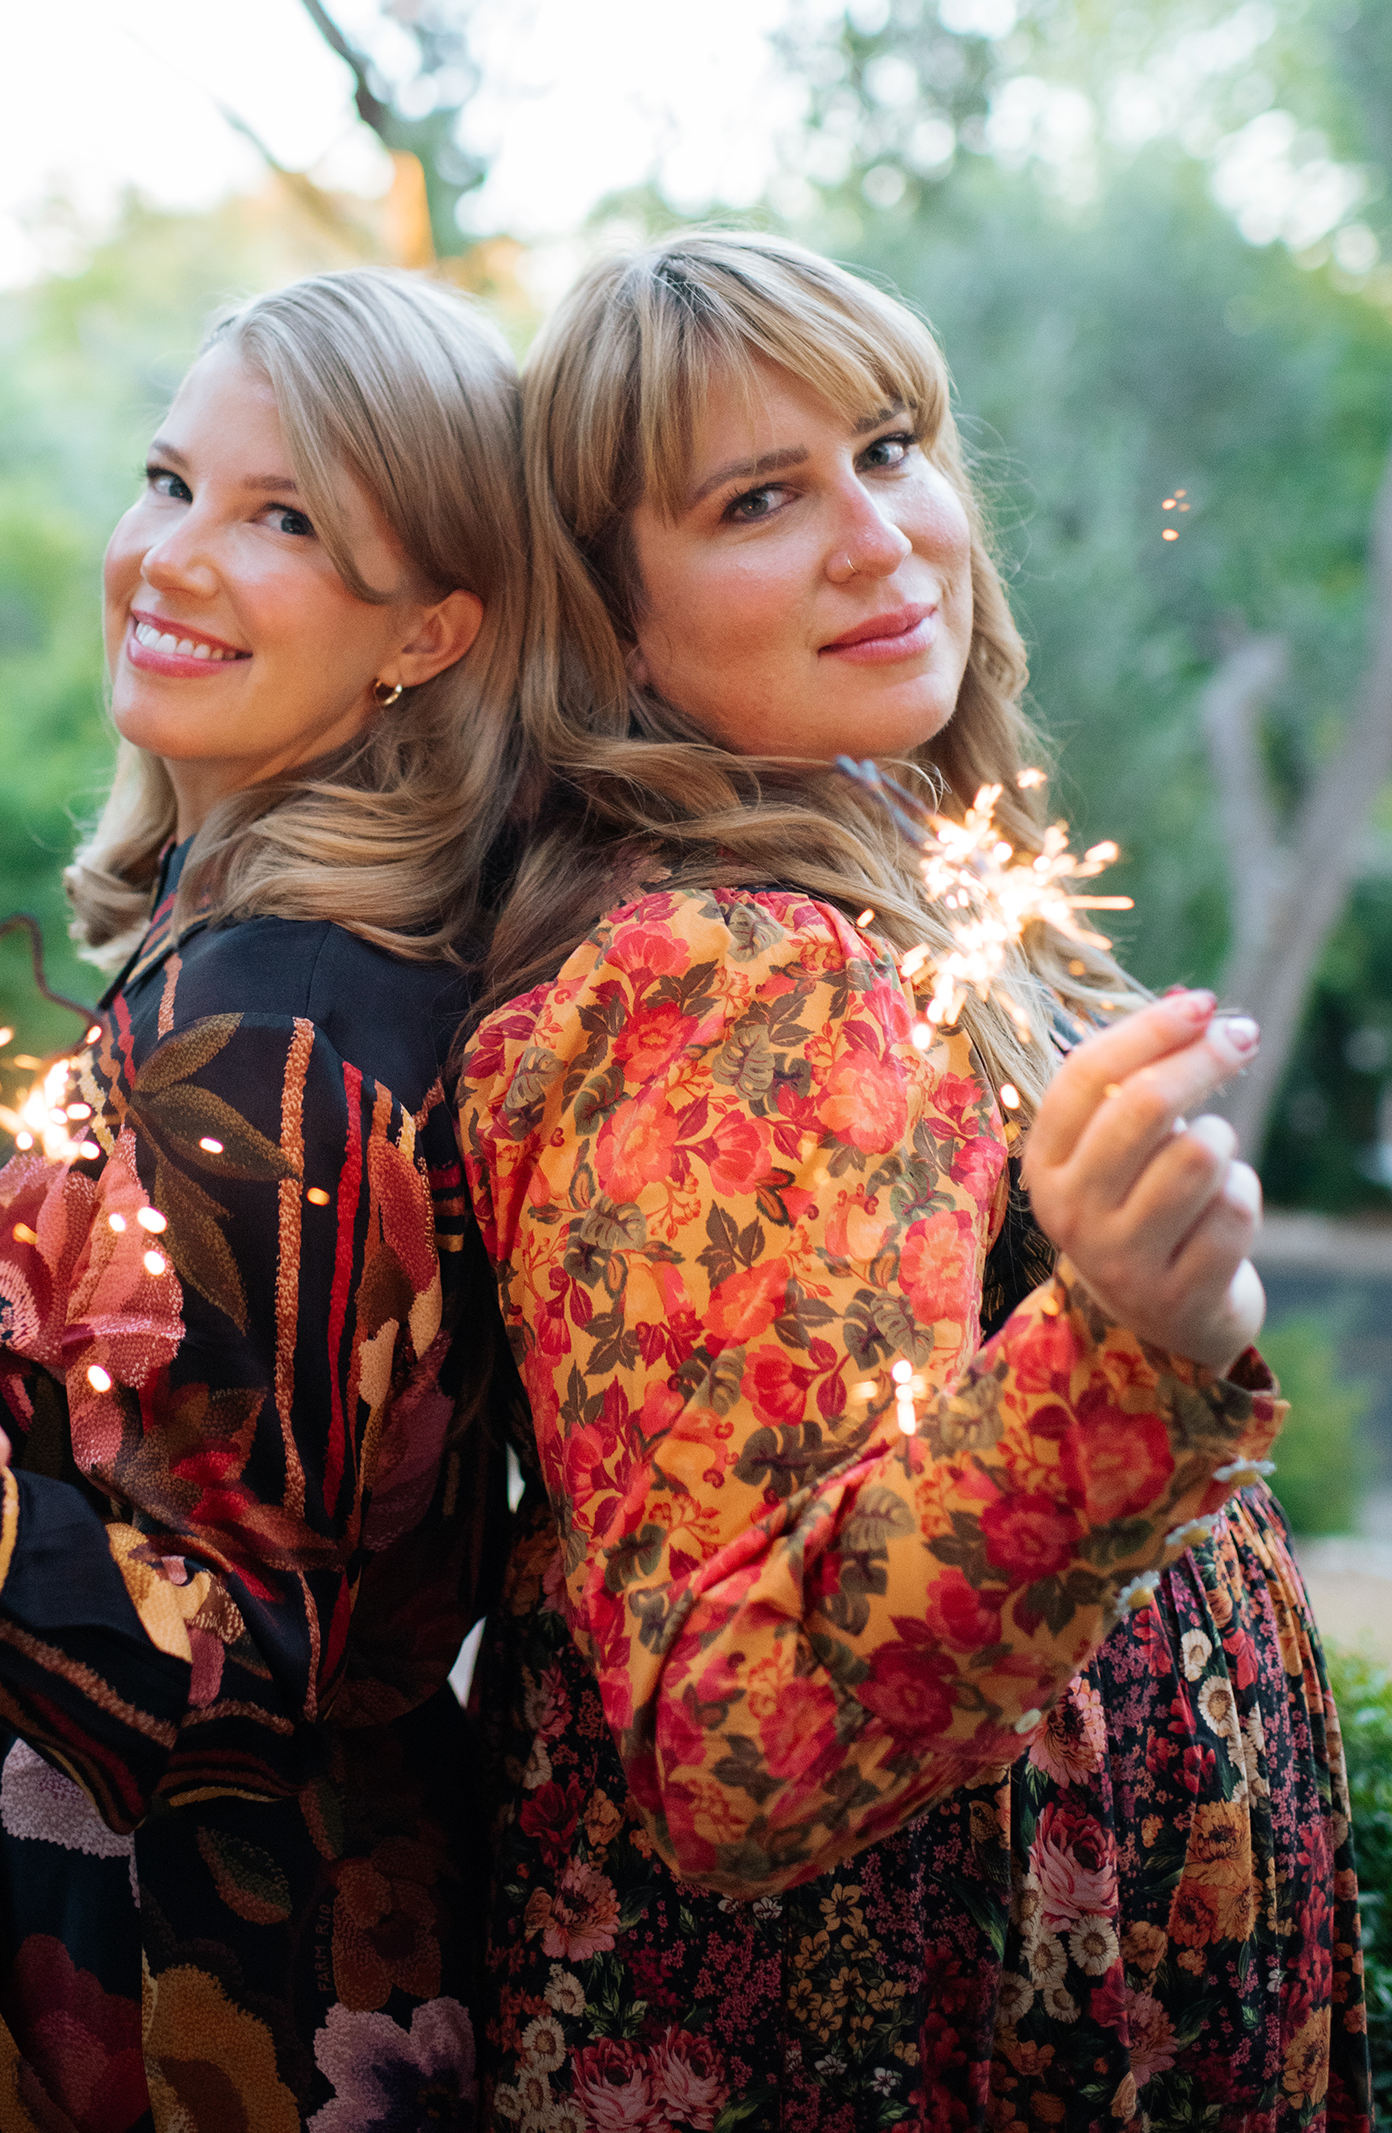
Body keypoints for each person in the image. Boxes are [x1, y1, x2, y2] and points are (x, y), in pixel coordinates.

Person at [457, 232, 1369, 2130]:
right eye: (756, 499)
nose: (879, 538)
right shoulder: (732, 986)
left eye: (887, 447)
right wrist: (1131, 1344)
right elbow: (735, 1738)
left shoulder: (903, 888)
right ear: (615, 619)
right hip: (912, 2044)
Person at [0, 266, 526, 2132]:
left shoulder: (282, 1018)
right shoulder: (248, 946)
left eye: (285, 519)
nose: (171, 557)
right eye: (170, 480)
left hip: (210, 1998)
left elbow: (261, 1663)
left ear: (427, 634)